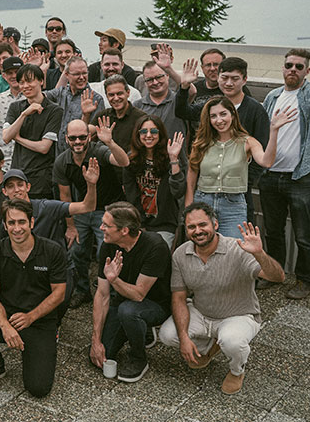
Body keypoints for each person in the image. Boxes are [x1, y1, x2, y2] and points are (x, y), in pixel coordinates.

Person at [159, 203, 285, 395]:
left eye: (203, 225)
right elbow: (178, 297)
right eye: (191, 227)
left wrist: (259, 253)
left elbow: (279, 277)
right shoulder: (180, 254)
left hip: (239, 315)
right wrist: (184, 337)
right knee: (168, 335)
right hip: (202, 312)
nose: (198, 231)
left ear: (215, 224)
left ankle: (236, 371)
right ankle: (210, 347)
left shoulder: (239, 248)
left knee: (232, 341)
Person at [0, 198, 67, 396]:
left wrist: (30, 317)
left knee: (38, 389)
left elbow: (59, 293)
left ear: (32, 222)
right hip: (9, 315)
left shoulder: (52, 250)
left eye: (22, 222)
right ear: (5, 225)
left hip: (40, 321)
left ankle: (39, 347)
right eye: (11, 223)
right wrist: (5, 327)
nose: (17, 228)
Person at [176, 57, 269, 224]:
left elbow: (262, 148)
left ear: (244, 80)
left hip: (238, 190)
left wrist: (245, 178)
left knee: (238, 241)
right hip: (206, 188)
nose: (228, 83)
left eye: (234, 79)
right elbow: (183, 111)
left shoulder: (256, 110)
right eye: (224, 77)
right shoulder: (212, 105)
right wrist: (184, 88)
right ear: (217, 78)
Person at [186, 96, 295, 238]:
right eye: (213, 116)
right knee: (204, 250)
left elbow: (266, 162)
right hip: (203, 202)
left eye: (223, 114)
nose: (219, 120)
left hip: (233, 205)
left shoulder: (248, 142)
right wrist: (189, 208)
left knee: (233, 251)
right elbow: (191, 177)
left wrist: (274, 131)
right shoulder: (201, 143)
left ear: (232, 114)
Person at [89, 202, 172, 383]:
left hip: (157, 303)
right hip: (123, 300)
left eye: (106, 225)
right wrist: (96, 341)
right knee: (102, 355)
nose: (101, 228)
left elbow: (139, 295)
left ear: (124, 230)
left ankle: (139, 358)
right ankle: (141, 330)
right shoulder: (109, 245)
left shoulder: (155, 246)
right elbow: (102, 294)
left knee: (129, 311)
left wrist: (114, 280)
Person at [54, 118, 130, 308]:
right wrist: (70, 226)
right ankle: (82, 290)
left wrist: (110, 142)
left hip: (109, 208)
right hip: (83, 208)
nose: (78, 142)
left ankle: (114, 294)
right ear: (66, 139)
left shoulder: (98, 151)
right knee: (76, 250)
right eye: (73, 138)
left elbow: (123, 161)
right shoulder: (62, 161)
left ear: (89, 136)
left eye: (82, 137)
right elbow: (65, 196)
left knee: (106, 251)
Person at [259, 49, 310, 299]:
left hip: (300, 176)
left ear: (307, 71)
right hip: (270, 174)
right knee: (273, 230)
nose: (293, 69)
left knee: (304, 234)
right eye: (289, 65)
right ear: (282, 68)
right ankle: (275, 273)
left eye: (299, 66)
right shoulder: (272, 96)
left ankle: (305, 279)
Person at [123, 116, 186, 245]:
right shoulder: (131, 159)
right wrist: (140, 224)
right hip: (139, 223)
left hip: (165, 223)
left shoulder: (171, 156)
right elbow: (131, 195)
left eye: (154, 131)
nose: (148, 135)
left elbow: (178, 191)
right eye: (143, 131)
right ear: (138, 134)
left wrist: (174, 159)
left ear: (160, 133)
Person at [3, 64, 63, 199]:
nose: (25, 86)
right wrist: (24, 114)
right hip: (17, 175)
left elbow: (44, 147)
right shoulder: (15, 107)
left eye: (29, 81)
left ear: (41, 81)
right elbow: (6, 137)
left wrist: (17, 138)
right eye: (22, 82)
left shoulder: (54, 110)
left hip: (41, 178)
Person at [46, 56, 105, 156]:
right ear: (67, 75)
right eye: (77, 74)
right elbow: (39, 97)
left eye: (84, 73)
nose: (81, 77)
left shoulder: (96, 99)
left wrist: (85, 115)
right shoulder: (60, 93)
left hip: (82, 156)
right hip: (58, 157)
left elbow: (95, 131)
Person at [89, 75, 146, 153]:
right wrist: (86, 114)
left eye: (119, 94)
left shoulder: (141, 118)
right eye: (111, 95)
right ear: (106, 96)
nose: (116, 98)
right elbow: (84, 132)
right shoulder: (103, 115)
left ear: (128, 93)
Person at [133, 59, 187, 140]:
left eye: (159, 77)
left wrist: (169, 69)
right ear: (145, 82)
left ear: (167, 76)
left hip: (175, 152)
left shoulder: (179, 101)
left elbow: (191, 91)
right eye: (149, 80)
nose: (155, 82)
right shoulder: (137, 106)